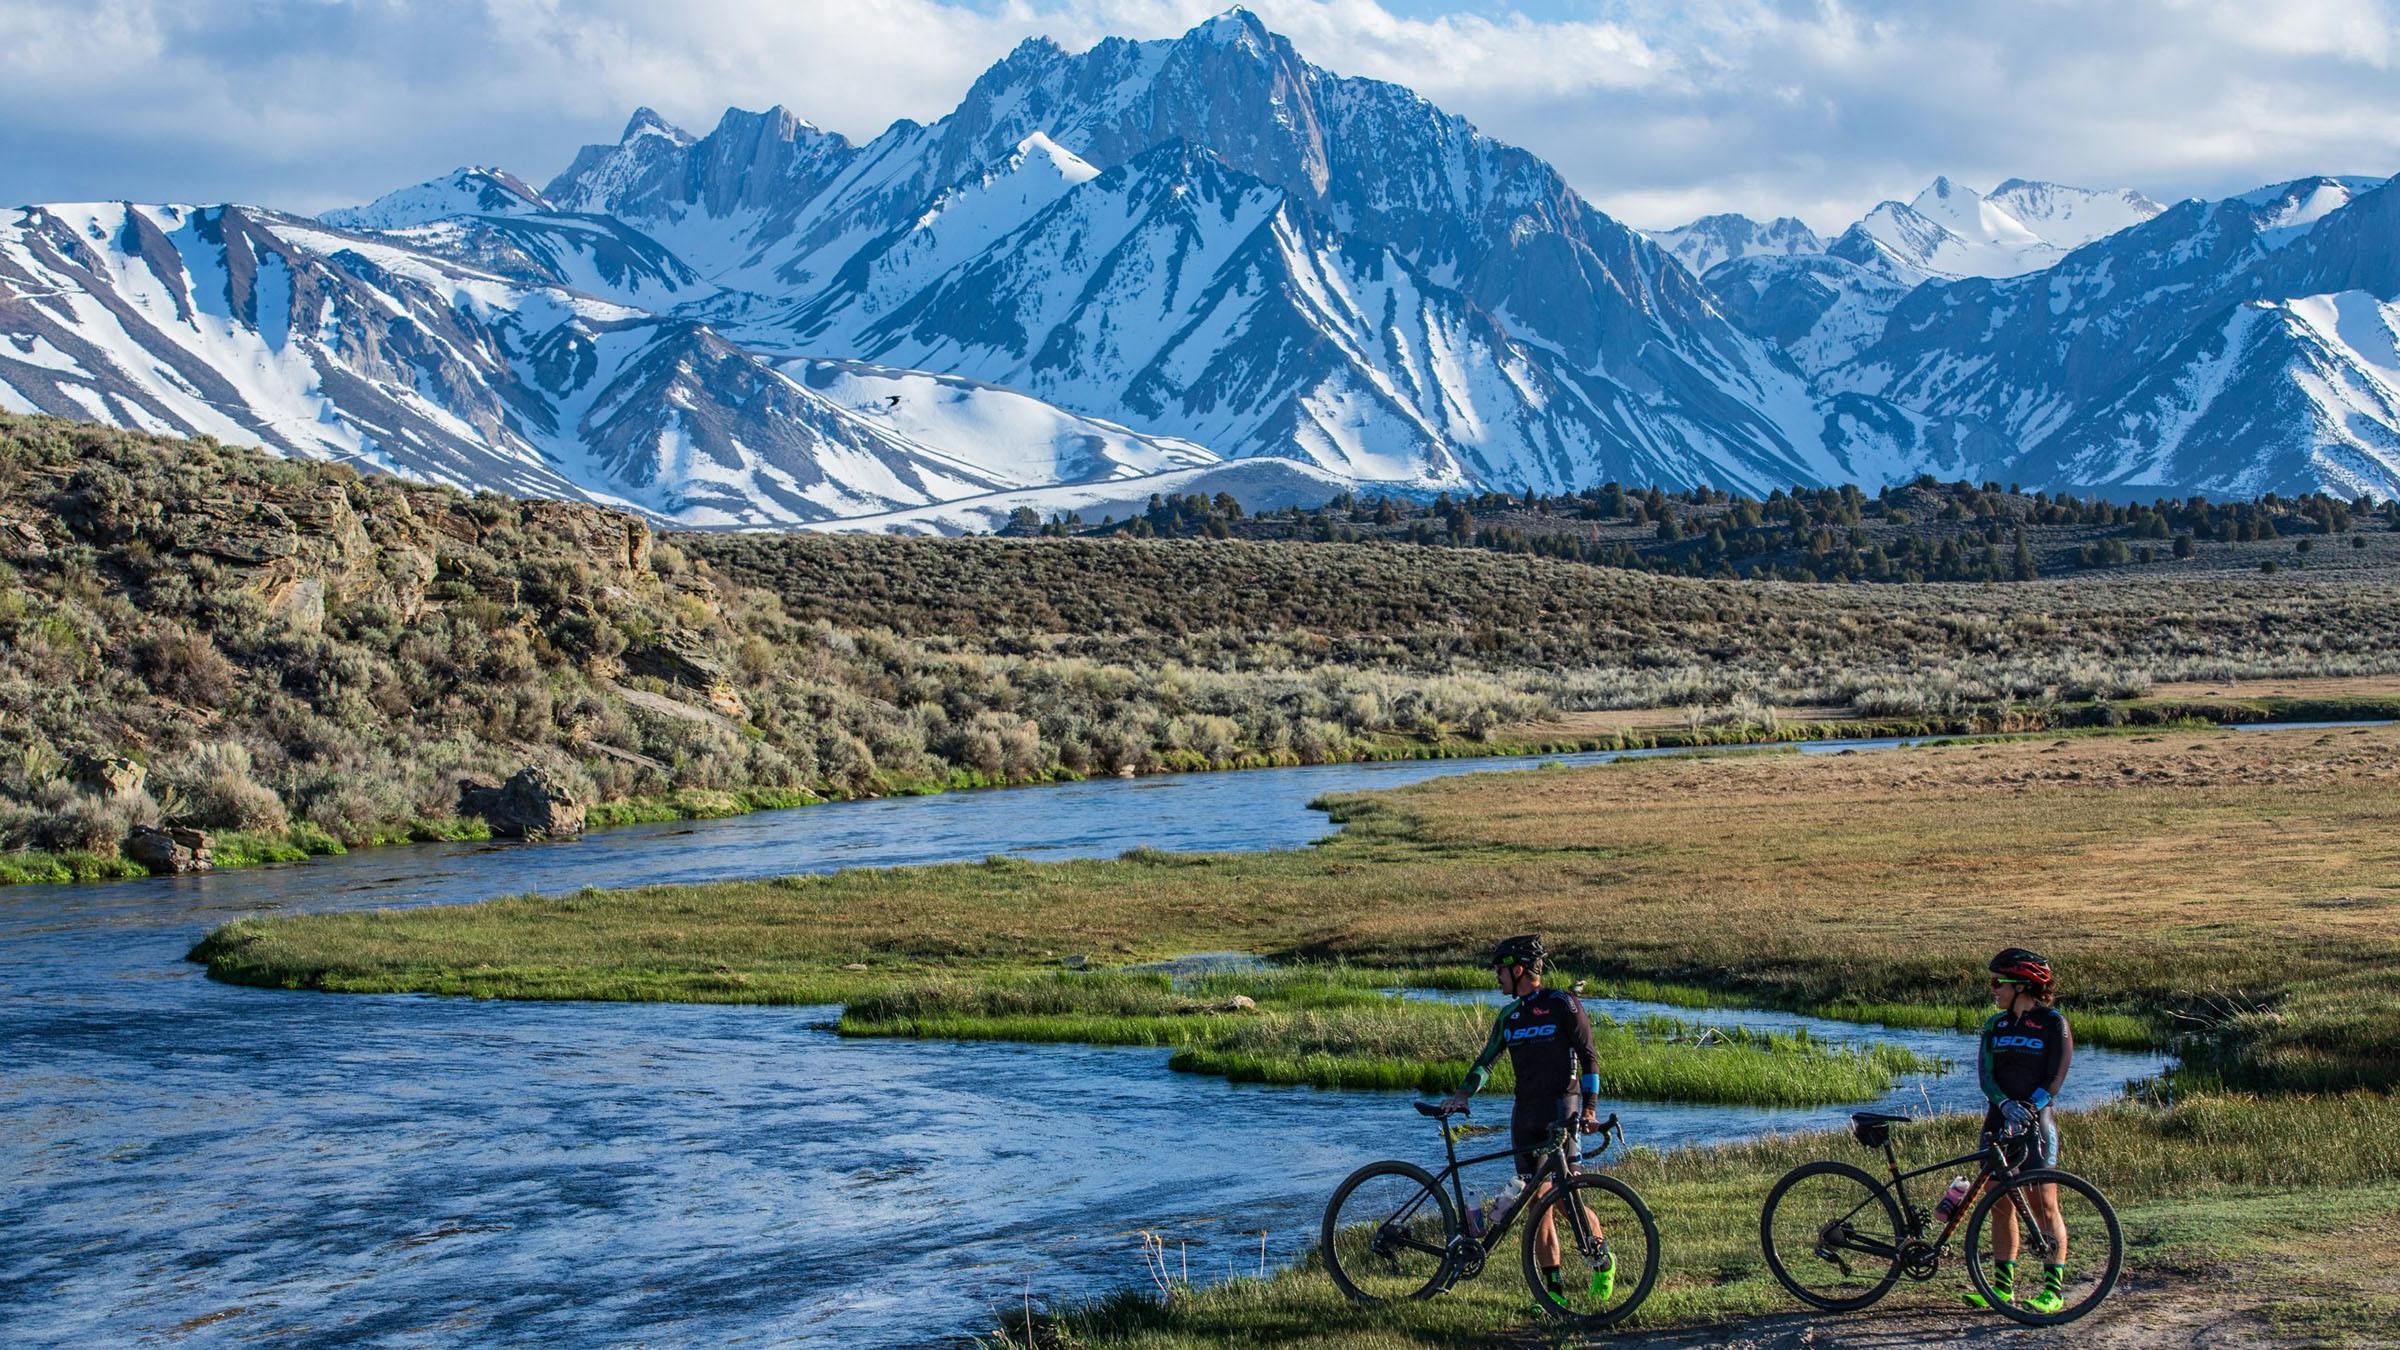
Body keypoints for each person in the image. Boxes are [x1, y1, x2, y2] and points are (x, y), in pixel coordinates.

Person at [1435, 933, 1607, 1301]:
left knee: (1566, 1199)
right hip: (1525, 1114)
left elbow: (1589, 1056)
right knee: (1535, 1202)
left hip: (1563, 1109)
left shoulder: (1562, 1002)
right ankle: (1554, 1291)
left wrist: (1589, 1107)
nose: (1496, 976)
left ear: (1519, 969)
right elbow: (1486, 1062)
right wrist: (1463, 1094)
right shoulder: (1509, 1015)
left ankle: (1602, 1262)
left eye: (1500, 969)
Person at [1962, 947, 2075, 1315]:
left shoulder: (2053, 1022)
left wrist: (2029, 1106)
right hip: (1999, 1122)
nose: (1993, 989)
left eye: (1999, 982)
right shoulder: (1995, 1025)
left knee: (2044, 1206)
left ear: (2022, 984)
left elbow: (2056, 1077)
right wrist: (2004, 1104)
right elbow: (1986, 1075)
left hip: (2037, 1124)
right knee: (1999, 1205)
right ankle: (2001, 1289)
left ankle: (2053, 1291)